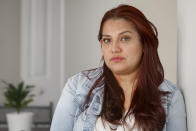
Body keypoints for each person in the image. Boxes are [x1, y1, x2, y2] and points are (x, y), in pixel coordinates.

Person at [50, 4, 187, 131]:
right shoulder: (77, 87)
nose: (114, 49)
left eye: (124, 38)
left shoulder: (170, 97)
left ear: (144, 44)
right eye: (107, 40)